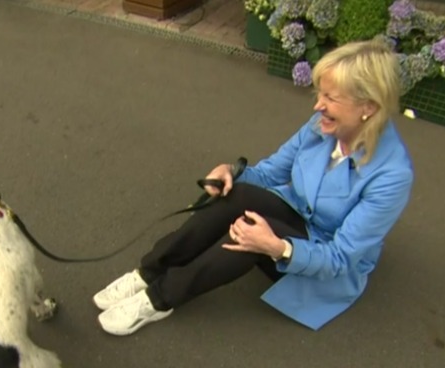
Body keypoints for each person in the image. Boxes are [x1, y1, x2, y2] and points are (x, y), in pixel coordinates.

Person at [93, 39, 414, 335]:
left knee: (250, 229)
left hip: (319, 257)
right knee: (240, 194)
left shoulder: (392, 175)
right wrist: (231, 175)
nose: (317, 106)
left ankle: (160, 298)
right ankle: (149, 272)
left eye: (330, 98)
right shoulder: (321, 125)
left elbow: (340, 259)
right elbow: (271, 172)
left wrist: (278, 248)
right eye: (319, 93)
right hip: (296, 216)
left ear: (368, 107)